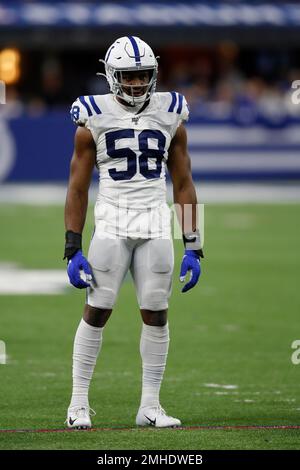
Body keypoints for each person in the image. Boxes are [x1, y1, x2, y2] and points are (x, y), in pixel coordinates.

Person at [64, 36, 203, 429]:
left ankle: (150, 406)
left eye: (143, 76)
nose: (137, 84)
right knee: (98, 309)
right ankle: (77, 404)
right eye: (129, 76)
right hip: (112, 222)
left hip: (156, 223)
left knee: (157, 313)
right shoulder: (93, 115)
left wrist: (195, 242)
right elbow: (76, 186)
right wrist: (72, 247)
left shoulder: (171, 112)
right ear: (111, 76)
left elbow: (184, 182)